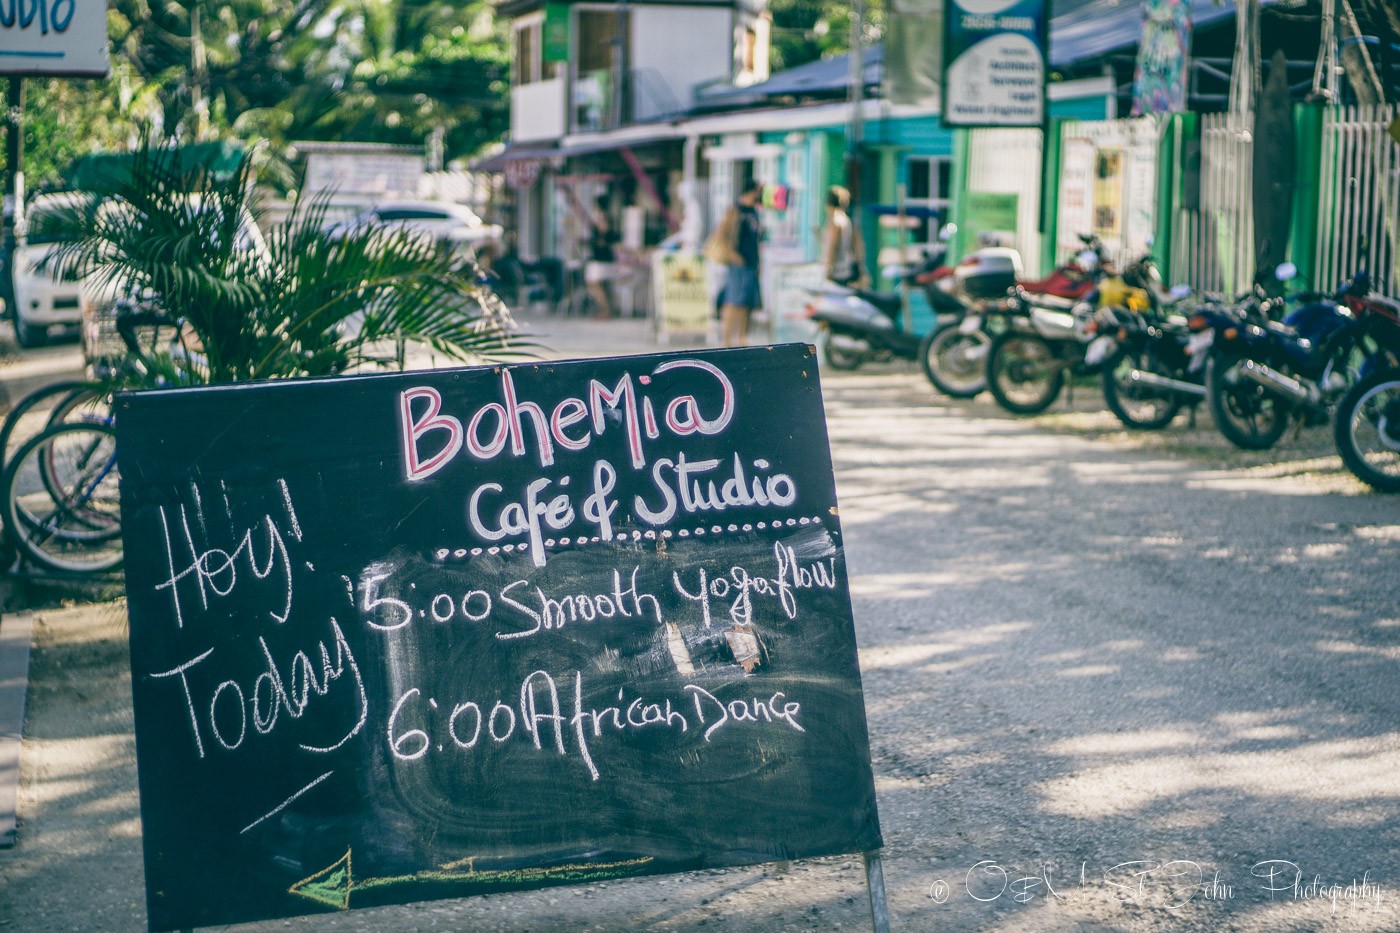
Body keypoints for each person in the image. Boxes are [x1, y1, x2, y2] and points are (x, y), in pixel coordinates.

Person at [716, 181, 764, 346]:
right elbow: (721, 234)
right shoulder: (736, 210)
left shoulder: (754, 211)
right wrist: (733, 255)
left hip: (752, 262)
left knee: (747, 303)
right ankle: (727, 340)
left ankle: (742, 338)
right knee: (733, 301)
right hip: (739, 262)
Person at [821, 185, 866, 287]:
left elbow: (832, 247)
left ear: (829, 205)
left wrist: (827, 271)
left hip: (836, 273)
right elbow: (857, 246)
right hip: (846, 271)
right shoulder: (847, 221)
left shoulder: (835, 222)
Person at [584, 200, 621, 319]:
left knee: (594, 284)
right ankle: (605, 309)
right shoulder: (597, 231)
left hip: (602, 263)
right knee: (600, 285)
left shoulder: (608, 235)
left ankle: (605, 309)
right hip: (601, 262)